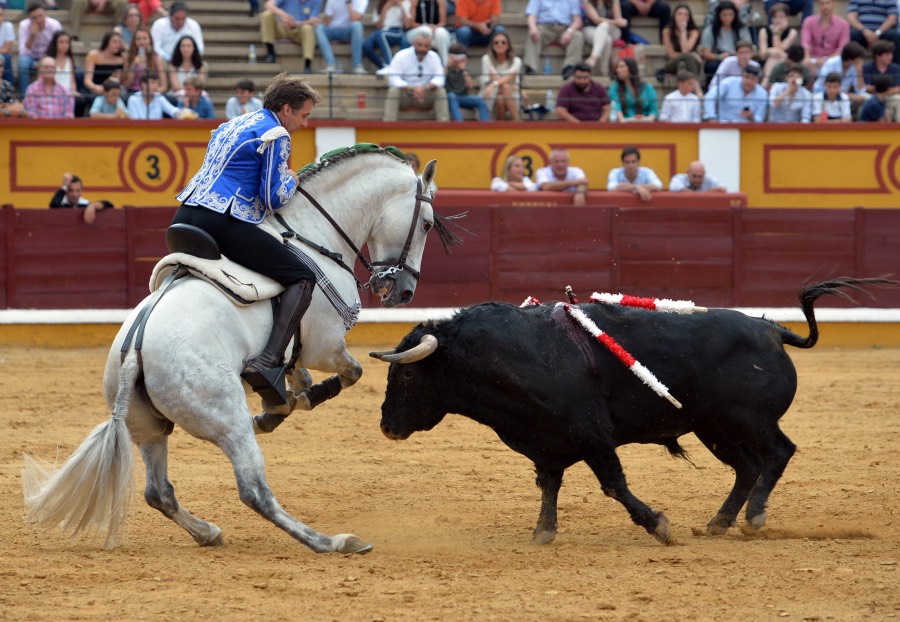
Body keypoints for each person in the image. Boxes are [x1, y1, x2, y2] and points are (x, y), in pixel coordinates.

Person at [172, 74, 320, 405]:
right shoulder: (276, 133)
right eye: (304, 115)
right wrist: (291, 180)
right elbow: (271, 198)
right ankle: (267, 361)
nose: (305, 124)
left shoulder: (232, 123)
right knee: (302, 276)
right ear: (286, 110)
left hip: (184, 216)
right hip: (223, 221)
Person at [382, 30, 449, 121]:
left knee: (440, 91)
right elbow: (393, 79)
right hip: (405, 95)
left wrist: (425, 87)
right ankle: (388, 127)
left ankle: (443, 128)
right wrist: (412, 88)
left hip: (425, 95)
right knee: (393, 91)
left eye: (426, 46)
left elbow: (440, 79)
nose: (422, 49)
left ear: (430, 46)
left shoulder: (434, 57)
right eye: (419, 45)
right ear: (413, 43)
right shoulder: (401, 56)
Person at [523, 0, 584, 79]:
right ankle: (530, 67)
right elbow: (531, 15)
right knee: (532, 33)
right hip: (545, 27)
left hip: (565, 28)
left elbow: (577, 20)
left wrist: (569, 31)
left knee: (578, 36)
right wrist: (533, 28)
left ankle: (570, 67)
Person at [700, 1, 752, 85]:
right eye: (724, 15)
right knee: (710, 67)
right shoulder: (710, 30)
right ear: (719, 15)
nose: (727, 18)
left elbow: (748, 47)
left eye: (730, 15)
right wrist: (720, 56)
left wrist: (738, 55)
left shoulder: (742, 29)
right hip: (719, 58)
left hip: (738, 57)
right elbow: (706, 53)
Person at [260, 0, 321, 70]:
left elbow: (314, 21)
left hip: (299, 32)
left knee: (308, 28)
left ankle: (307, 63)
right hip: (282, 28)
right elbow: (268, 4)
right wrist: (283, 15)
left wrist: (296, 24)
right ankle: (270, 52)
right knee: (266, 14)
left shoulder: (316, 1)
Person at [17, 2, 62, 97]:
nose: (38, 20)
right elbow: (23, 51)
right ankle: (25, 97)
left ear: (46, 14)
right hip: (31, 57)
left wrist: (43, 61)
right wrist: (32, 35)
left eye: (40, 16)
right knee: (22, 62)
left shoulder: (55, 25)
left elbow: (57, 48)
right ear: (29, 18)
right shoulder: (24, 25)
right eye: (34, 18)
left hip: (49, 56)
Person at [314, 0, 368, 74]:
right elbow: (327, 21)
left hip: (349, 32)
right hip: (332, 30)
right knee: (319, 28)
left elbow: (354, 19)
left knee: (357, 25)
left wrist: (348, 2)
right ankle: (330, 64)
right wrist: (318, 21)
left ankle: (357, 65)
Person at [479, 29, 520, 120]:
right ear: (492, 46)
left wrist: (495, 83)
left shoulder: (517, 61)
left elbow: (512, 79)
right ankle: (502, 126)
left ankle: (517, 120)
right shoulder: (486, 59)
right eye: (496, 42)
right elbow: (487, 81)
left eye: (503, 42)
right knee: (501, 97)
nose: (499, 44)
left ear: (508, 45)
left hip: (510, 95)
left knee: (505, 88)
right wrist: (505, 80)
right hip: (491, 95)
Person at [800, 0, 849, 75]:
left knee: (837, 61)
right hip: (814, 59)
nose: (825, 6)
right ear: (817, 5)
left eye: (828, 3)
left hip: (833, 60)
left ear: (833, 3)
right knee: (805, 62)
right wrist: (807, 57)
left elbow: (842, 49)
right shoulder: (809, 21)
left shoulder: (843, 24)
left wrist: (827, 60)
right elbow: (806, 43)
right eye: (822, 3)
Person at [812, 41, 867, 107]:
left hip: (843, 97)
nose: (861, 62)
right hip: (823, 95)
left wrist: (859, 71)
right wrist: (851, 96)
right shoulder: (831, 63)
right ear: (850, 60)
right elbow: (829, 89)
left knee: (866, 98)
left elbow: (860, 90)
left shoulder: (854, 67)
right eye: (859, 59)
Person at [846, 0, 900, 66]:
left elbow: (892, 19)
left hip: (883, 32)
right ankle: (852, 69)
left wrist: (878, 32)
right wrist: (865, 31)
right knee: (852, 34)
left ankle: (896, 71)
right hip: (862, 32)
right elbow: (851, 18)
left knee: (894, 35)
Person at [445, 43, 490, 121]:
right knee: (451, 96)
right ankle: (459, 125)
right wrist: (447, 65)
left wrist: (463, 70)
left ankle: (486, 125)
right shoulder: (446, 69)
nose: (457, 60)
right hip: (450, 97)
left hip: (463, 97)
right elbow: (440, 80)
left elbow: (470, 86)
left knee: (480, 100)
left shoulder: (465, 70)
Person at [582, 0, 628, 76]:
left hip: (612, 30)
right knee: (607, 40)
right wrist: (615, 22)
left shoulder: (614, 1)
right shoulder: (587, 1)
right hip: (592, 29)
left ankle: (594, 57)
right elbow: (596, 19)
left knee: (604, 25)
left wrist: (612, 22)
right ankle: (604, 72)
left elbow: (619, 19)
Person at [758, 3, 798, 88]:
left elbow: (781, 49)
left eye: (781, 17)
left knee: (778, 55)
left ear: (787, 18)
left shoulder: (792, 32)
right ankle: (767, 83)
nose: (778, 20)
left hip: (786, 63)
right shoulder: (764, 31)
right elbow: (762, 55)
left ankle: (765, 85)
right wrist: (770, 51)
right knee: (773, 57)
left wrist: (776, 33)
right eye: (775, 17)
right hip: (767, 63)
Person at [363, 0, 410, 72]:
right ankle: (383, 66)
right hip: (380, 31)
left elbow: (407, 25)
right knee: (366, 45)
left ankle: (390, 65)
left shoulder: (405, 3)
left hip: (396, 31)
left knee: (381, 34)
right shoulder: (380, 4)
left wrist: (401, 6)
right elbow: (379, 26)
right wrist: (386, 7)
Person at [608, 57, 658, 121]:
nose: (618, 70)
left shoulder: (647, 87)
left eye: (622, 67)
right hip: (625, 124)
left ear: (631, 68)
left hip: (645, 123)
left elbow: (653, 109)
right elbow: (616, 107)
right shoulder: (614, 87)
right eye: (617, 67)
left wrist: (649, 120)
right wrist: (623, 121)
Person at [403, 0, 451, 65]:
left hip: (435, 31)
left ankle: (445, 64)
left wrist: (435, 27)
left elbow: (443, 22)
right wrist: (427, 26)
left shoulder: (440, 1)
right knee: (426, 30)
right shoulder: (414, 1)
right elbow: (411, 23)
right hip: (416, 31)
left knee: (442, 33)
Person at [662, 3, 702, 79]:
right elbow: (672, 54)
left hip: (691, 63)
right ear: (674, 16)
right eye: (679, 14)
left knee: (682, 65)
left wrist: (683, 31)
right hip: (673, 62)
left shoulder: (694, 32)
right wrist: (692, 54)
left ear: (689, 18)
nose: (682, 17)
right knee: (687, 58)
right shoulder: (667, 31)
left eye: (685, 15)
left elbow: (685, 50)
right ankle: (696, 88)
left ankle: (685, 89)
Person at [124, 27, 168, 97]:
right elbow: (127, 84)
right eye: (138, 39)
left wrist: (153, 93)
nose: (141, 41)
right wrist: (134, 65)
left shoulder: (157, 59)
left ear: (150, 40)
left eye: (144, 38)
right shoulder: (128, 57)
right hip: (134, 93)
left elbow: (163, 87)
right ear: (134, 41)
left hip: (153, 93)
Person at [82, 31, 125, 97]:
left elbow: (117, 80)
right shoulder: (93, 55)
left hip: (111, 91)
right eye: (114, 42)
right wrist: (95, 87)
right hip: (94, 88)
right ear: (107, 42)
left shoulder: (120, 60)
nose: (117, 45)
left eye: (119, 42)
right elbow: (87, 80)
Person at [0, 6, 16, 86]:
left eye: (1, 15)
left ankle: (9, 88)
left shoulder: (8, 26)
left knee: (6, 58)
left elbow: (6, 49)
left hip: (3, 56)